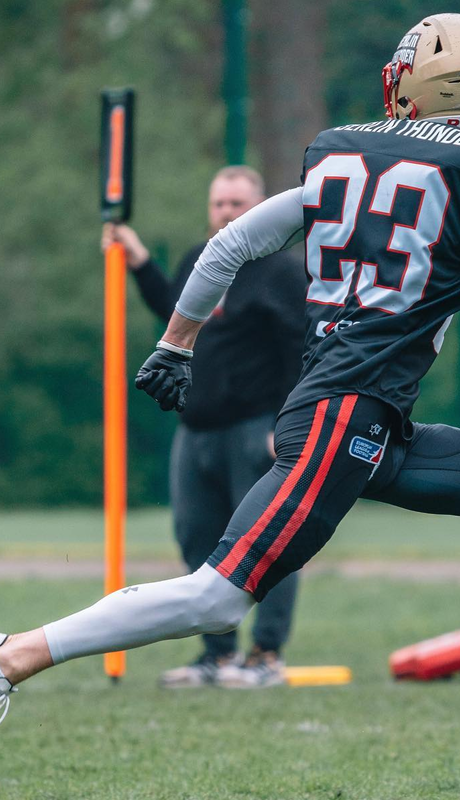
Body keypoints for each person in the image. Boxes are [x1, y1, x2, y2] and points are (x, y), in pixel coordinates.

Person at [0, 13, 460, 777]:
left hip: (367, 419)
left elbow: (232, 244)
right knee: (216, 598)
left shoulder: (342, 155)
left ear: (407, 87)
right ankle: (5, 657)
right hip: (346, 412)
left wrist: (174, 341)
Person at [100, 165, 306, 688]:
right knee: (197, 540)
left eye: (239, 204)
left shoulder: (280, 271)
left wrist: (285, 423)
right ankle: (217, 656)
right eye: (219, 204)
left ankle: (266, 655)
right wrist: (138, 257)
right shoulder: (202, 259)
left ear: (260, 208)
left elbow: (300, 351)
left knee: (269, 543)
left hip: (256, 428)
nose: (228, 213)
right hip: (196, 430)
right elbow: (173, 311)